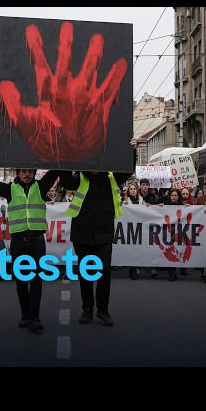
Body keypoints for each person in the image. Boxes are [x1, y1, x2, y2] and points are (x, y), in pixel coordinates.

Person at [59, 138, 136, 326]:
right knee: (85, 273)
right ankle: (87, 309)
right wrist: (62, 154)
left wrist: (132, 151)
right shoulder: (79, 178)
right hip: (82, 233)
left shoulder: (111, 177)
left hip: (103, 233)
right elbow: (65, 178)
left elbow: (128, 169)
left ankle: (103, 310)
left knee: (104, 273)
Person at [0, 151, 65, 332]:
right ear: (18, 173)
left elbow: (55, 171)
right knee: (22, 280)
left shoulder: (42, 186)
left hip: (37, 241)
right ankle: (25, 315)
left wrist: (59, 151)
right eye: (24, 171)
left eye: (30, 171)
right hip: (18, 242)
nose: (27, 174)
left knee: (36, 280)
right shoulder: (10, 189)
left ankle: (35, 317)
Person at [123, 181, 145, 280]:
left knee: (137, 249)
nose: (133, 190)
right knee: (131, 249)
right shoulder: (124, 201)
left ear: (137, 190)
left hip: (139, 228)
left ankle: (134, 268)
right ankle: (132, 270)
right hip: (128, 228)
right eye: (131, 189)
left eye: (134, 189)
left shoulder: (142, 200)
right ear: (128, 191)